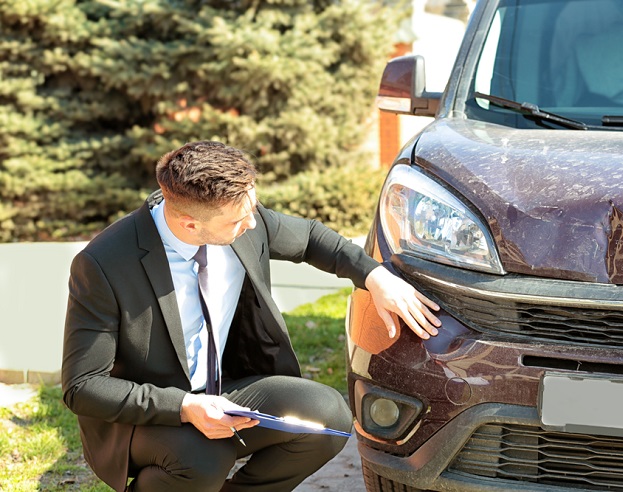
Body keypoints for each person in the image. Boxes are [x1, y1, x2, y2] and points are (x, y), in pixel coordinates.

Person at [61, 140, 441, 492]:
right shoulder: (103, 264)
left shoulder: (240, 218)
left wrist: (374, 277)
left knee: (327, 420)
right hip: (151, 414)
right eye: (237, 221)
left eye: (252, 210)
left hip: (225, 388)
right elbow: (83, 386)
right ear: (190, 224)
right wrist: (184, 407)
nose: (253, 225)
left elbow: (310, 238)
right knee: (202, 457)